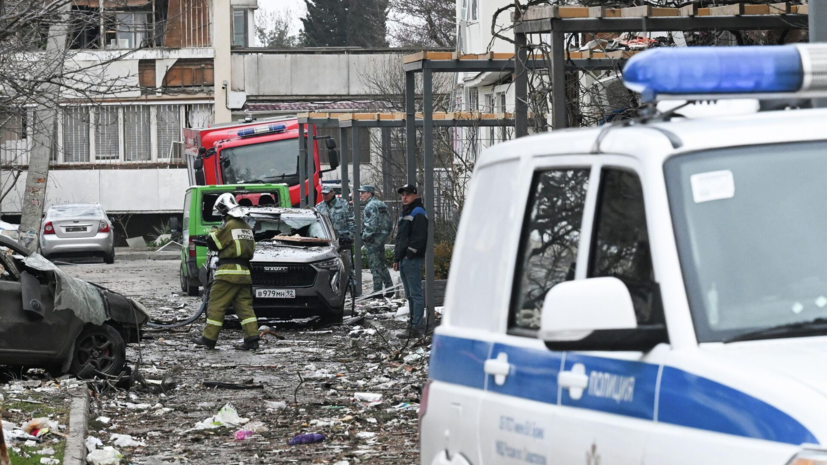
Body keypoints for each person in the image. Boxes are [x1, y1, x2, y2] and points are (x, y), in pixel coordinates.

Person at [192, 193, 260, 351]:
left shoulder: (229, 225)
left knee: (216, 304)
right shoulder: (246, 227)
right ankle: (252, 339)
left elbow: (214, 242)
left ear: (224, 210)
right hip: (244, 273)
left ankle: (208, 338)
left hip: (228, 272)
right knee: (245, 308)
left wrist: (211, 233)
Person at [393, 184, 427, 338]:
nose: (404, 197)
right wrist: (397, 258)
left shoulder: (418, 212)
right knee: (410, 295)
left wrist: (409, 255)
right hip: (405, 259)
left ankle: (417, 327)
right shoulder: (406, 212)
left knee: (415, 294)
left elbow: (419, 238)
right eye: (402, 195)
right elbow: (400, 238)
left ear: (415, 195)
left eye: (407, 194)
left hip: (412, 260)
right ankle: (413, 324)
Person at [359, 185, 394, 295]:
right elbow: (389, 223)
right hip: (381, 238)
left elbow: (371, 225)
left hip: (372, 240)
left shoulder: (370, 206)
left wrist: (364, 237)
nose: (361, 195)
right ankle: (390, 289)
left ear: (369, 194)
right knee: (382, 265)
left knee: (375, 266)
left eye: (363, 193)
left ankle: (377, 291)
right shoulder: (381, 204)